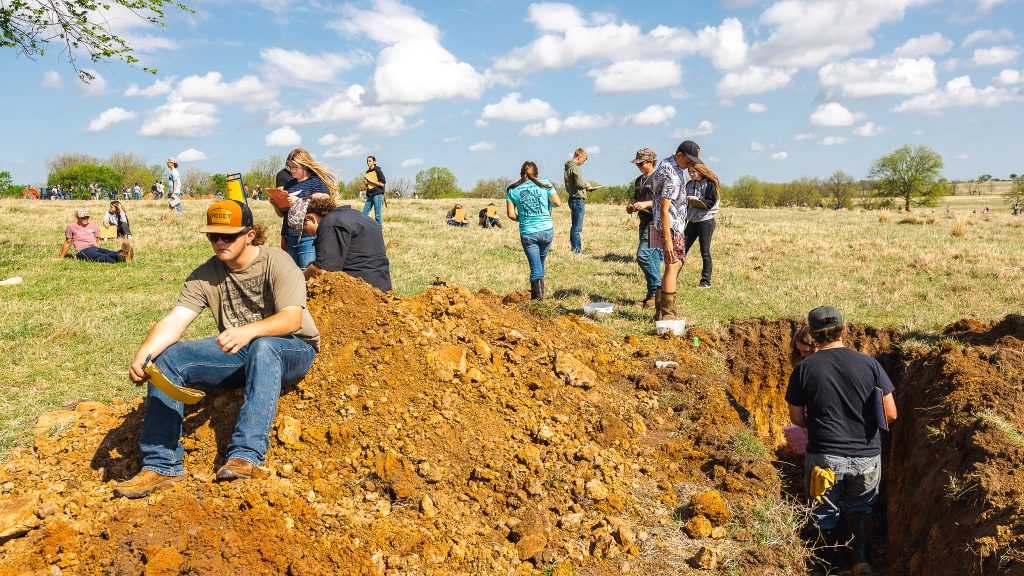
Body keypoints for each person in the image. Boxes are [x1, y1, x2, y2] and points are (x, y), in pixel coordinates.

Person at [113, 199, 320, 499]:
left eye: (228, 236)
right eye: (213, 236)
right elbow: (175, 320)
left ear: (250, 235)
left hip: (292, 348)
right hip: (243, 349)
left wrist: (248, 332)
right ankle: (162, 464)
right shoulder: (205, 275)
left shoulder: (278, 262)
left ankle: (245, 456)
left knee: (264, 346)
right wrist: (144, 354)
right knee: (169, 358)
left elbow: (291, 319)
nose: (219, 243)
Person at [786, 306, 897, 576]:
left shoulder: (804, 369)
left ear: (811, 333)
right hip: (867, 455)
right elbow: (891, 413)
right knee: (861, 507)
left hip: (825, 454)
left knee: (825, 510)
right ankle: (861, 563)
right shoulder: (870, 364)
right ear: (844, 330)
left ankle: (831, 567)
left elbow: (797, 418)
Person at [651, 140, 701, 320]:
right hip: (670, 226)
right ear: (679, 155)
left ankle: (660, 310)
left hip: (669, 224)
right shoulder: (671, 174)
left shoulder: (666, 163)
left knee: (674, 264)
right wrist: (669, 240)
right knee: (673, 265)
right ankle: (667, 313)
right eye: (688, 161)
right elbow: (665, 208)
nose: (690, 165)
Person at [301, 197, 392, 292]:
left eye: (304, 230)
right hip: (383, 286)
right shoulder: (360, 216)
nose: (308, 235)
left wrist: (301, 278)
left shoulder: (330, 223)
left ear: (311, 218)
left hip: (361, 292)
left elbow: (324, 270)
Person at [507, 161, 561, 300]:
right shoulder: (545, 183)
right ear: (537, 174)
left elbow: (511, 214)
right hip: (546, 230)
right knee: (539, 263)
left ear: (521, 173)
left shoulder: (513, 189)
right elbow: (557, 203)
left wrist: (525, 218)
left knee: (535, 267)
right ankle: (538, 295)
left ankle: (538, 301)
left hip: (528, 232)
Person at [274, 148, 335, 269]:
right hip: (289, 236)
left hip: (308, 237)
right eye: (290, 167)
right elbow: (282, 214)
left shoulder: (316, 182)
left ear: (304, 165)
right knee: (295, 275)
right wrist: (276, 203)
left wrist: (299, 200)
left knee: (308, 274)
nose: (292, 170)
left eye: (295, 167)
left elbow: (325, 205)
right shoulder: (289, 184)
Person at [625, 147, 663, 308]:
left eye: (642, 163)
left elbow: (665, 200)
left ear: (652, 161)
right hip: (644, 222)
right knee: (653, 258)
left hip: (656, 223)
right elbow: (635, 199)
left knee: (644, 256)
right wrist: (631, 206)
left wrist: (646, 203)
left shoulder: (660, 178)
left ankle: (660, 290)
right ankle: (653, 296)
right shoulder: (639, 180)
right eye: (637, 163)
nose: (639, 166)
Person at [683, 161, 721, 289]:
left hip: (706, 221)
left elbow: (711, 202)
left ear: (700, 171)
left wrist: (698, 201)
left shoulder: (710, 184)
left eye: (693, 172)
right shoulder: (689, 184)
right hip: (692, 221)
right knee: (681, 249)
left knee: (704, 252)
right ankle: (672, 275)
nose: (691, 174)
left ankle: (705, 281)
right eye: (689, 172)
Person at [59, 209, 133, 263]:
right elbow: (68, 242)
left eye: (87, 217)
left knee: (107, 252)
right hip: (82, 251)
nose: (85, 219)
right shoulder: (71, 227)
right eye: (83, 218)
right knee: (101, 257)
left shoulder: (94, 226)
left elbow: (97, 241)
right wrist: (61, 257)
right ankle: (123, 258)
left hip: (94, 248)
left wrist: (100, 250)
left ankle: (123, 253)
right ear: (77, 218)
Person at [563, 147, 593, 254]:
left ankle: (575, 249)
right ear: (579, 157)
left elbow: (570, 185)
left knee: (574, 227)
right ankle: (576, 251)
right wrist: (587, 186)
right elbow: (580, 184)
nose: (583, 162)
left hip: (571, 198)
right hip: (577, 200)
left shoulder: (567, 168)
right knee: (577, 228)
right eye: (584, 160)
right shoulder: (575, 168)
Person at [363, 155, 386, 225]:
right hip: (370, 195)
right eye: (367, 161)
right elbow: (369, 185)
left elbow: (382, 184)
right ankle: (363, 231)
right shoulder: (367, 172)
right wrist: (366, 183)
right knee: (363, 215)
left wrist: (371, 181)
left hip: (378, 194)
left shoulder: (378, 170)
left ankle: (379, 231)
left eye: (370, 161)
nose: (368, 162)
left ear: (374, 162)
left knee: (377, 215)